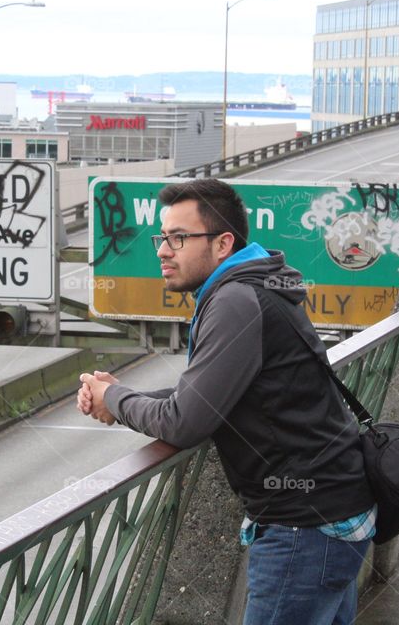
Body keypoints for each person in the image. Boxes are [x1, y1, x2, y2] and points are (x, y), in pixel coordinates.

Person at [77, 178, 375, 625]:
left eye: (179, 238)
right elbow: (207, 395)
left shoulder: (236, 299)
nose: (162, 249)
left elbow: (186, 421)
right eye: (162, 237)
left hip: (306, 527)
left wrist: (115, 399)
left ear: (222, 244)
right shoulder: (253, 286)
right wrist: (118, 396)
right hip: (331, 510)